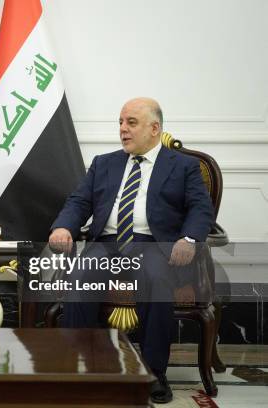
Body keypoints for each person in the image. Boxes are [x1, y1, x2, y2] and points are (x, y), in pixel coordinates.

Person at [49, 97, 214, 404]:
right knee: (80, 277)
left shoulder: (184, 167)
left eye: (131, 123)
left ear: (155, 128)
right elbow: (79, 202)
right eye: (121, 123)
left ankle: (153, 374)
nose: (123, 129)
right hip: (107, 243)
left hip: (152, 244)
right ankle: (80, 369)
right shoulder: (104, 162)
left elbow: (200, 209)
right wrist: (64, 227)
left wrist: (189, 239)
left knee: (156, 279)